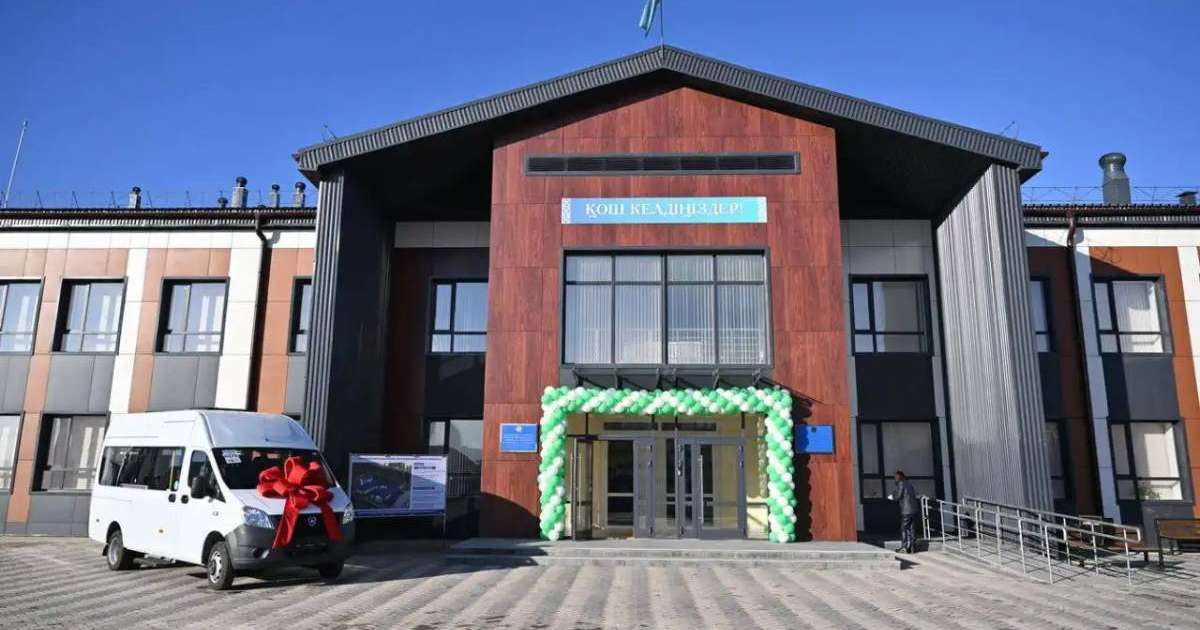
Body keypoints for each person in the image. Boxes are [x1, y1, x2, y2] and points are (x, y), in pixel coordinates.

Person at [887, 470, 920, 553]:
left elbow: (898, 496)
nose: (895, 479)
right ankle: (912, 547)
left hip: (907, 510)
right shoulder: (909, 484)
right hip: (914, 510)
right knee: (911, 528)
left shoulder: (901, 484)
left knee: (904, 528)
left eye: (895, 477)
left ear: (899, 477)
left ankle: (904, 547)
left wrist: (892, 497)